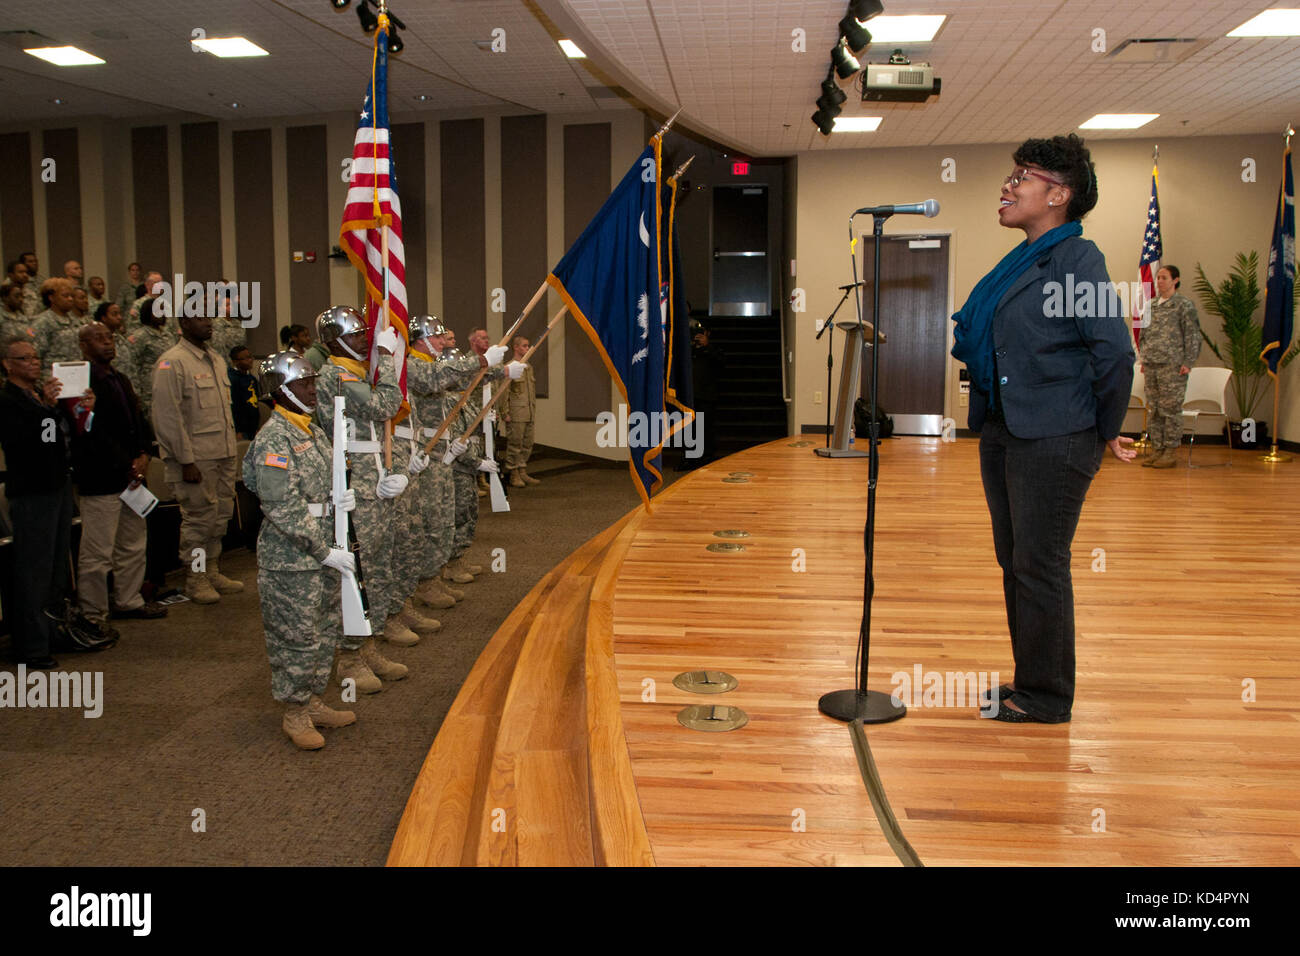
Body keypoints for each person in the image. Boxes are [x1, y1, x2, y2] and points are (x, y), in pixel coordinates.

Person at [951, 133, 1135, 724]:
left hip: (1056, 436)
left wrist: (1102, 428)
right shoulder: (1022, 262)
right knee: (1018, 563)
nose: (1008, 185)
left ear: (1058, 195)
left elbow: (1114, 353)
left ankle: (1047, 699)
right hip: (1008, 430)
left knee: (1040, 564)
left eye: (1021, 176)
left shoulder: (1076, 260)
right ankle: (1029, 682)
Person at [242, 351, 357, 750]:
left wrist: (338, 501)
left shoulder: (311, 430)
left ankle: (312, 701)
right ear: (280, 391)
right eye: (304, 385)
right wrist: (322, 550)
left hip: (322, 548)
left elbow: (323, 482)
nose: (312, 390)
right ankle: (294, 712)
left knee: (324, 630)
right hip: (292, 558)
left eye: (312, 383)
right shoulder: (275, 438)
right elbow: (280, 506)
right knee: (296, 636)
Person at [312, 305, 411, 687]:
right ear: (335, 341)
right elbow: (383, 404)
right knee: (360, 566)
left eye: (364, 334)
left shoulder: (355, 371)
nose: (364, 340)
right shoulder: (335, 375)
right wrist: (386, 359)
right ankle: (349, 656)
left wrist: (389, 470)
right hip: (353, 480)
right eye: (355, 336)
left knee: (379, 563)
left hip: (373, 476)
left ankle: (369, 643)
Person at [0, 336, 94, 668]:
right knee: (34, 571)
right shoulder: (9, 401)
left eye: (36, 357)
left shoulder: (37, 398)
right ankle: (32, 646)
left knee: (56, 568)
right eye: (24, 359)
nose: (34, 363)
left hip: (57, 485)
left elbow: (63, 436)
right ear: (7, 364)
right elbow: (35, 444)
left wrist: (81, 411)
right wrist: (50, 411)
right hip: (32, 491)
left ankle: (54, 631)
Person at [70, 323, 166, 629]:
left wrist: (144, 454)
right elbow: (87, 433)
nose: (107, 343)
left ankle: (129, 599)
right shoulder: (79, 381)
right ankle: (93, 614)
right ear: (83, 346)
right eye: (98, 339)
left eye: (110, 338)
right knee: (98, 552)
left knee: (133, 543)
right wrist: (128, 462)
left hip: (132, 477)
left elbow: (137, 421)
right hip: (100, 478)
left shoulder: (120, 378)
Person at [150, 311, 243, 604]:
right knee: (199, 520)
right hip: (196, 460)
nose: (208, 322)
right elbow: (167, 417)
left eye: (209, 318)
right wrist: (185, 460)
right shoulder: (172, 362)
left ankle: (212, 569)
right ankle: (196, 577)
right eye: (200, 318)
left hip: (223, 452)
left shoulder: (215, 359)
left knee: (220, 517)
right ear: (184, 324)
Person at [1140, 265, 1201, 468]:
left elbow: (1192, 335)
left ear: (1175, 280)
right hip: (1151, 364)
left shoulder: (1183, 305)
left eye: (1164, 278)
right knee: (1155, 409)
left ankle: (1170, 451)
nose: (1159, 281)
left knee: (1171, 409)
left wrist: (1188, 362)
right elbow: (1144, 334)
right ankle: (1157, 449)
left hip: (1173, 365)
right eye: (1158, 278)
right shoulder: (1151, 305)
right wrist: (1144, 358)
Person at [126, 298, 175, 418]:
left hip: (169, 384)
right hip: (149, 389)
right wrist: (136, 392)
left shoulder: (168, 335)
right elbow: (133, 364)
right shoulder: (140, 336)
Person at [504, 335, 539, 488]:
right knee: (515, 443)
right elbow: (504, 392)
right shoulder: (510, 367)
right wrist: (504, 412)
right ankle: (513, 473)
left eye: (527, 345)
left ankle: (522, 470)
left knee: (528, 443)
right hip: (516, 413)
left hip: (529, 412)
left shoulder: (528, 367)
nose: (527, 348)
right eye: (524, 346)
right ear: (516, 347)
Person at [690, 320, 725, 466]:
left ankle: (707, 458)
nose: (698, 335)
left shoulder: (714, 350)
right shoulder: (689, 350)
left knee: (706, 429)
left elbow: (721, 363)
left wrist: (707, 346)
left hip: (707, 395)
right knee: (690, 429)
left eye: (702, 332)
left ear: (708, 333)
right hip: (691, 395)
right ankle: (691, 459)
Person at [32, 278, 83, 375]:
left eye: (71, 296)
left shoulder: (74, 320)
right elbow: (36, 354)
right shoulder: (42, 322)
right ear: (51, 298)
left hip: (76, 374)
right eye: (65, 296)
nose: (70, 299)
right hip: (52, 376)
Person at [229, 345, 262, 440]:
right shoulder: (232, 379)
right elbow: (233, 407)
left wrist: (257, 427)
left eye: (250, 357)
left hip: (253, 427)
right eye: (246, 358)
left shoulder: (251, 379)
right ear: (236, 361)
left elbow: (255, 404)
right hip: (241, 429)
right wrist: (237, 430)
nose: (250, 360)